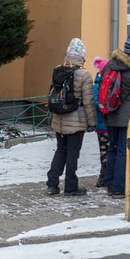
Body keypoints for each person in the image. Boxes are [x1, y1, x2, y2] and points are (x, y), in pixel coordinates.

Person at [46, 38, 96, 196]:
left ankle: (52, 184)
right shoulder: (84, 74)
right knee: (72, 154)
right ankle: (71, 186)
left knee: (60, 150)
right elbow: (88, 101)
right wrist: (92, 122)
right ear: (82, 56)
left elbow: (51, 92)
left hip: (59, 118)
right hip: (76, 120)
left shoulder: (57, 70)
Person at [102, 34, 130, 198]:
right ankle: (119, 188)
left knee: (113, 148)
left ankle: (110, 182)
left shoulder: (110, 65)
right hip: (128, 117)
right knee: (124, 151)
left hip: (111, 114)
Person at [92, 56, 110, 187]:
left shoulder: (102, 84)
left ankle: (105, 176)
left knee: (107, 152)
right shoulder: (98, 86)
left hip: (105, 125)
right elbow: (97, 103)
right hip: (103, 125)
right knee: (105, 153)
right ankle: (103, 177)